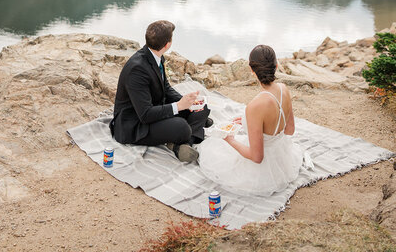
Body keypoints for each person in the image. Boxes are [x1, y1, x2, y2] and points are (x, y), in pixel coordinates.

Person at [198, 44, 305, 195]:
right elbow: (289, 130)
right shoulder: (284, 89)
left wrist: (229, 139)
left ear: (251, 69)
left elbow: (257, 157)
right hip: (282, 159)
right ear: (276, 65)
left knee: (213, 148)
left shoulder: (255, 106)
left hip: (262, 171)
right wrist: (247, 121)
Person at [110, 20, 211, 162]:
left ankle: (182, 143)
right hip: (135, 124)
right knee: (182, 127)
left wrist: (188, 102)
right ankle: (186, 138)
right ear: (167, 45)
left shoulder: (156, 56)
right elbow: (145, 115)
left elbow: (166, 89)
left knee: (201, 107)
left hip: (155, 110)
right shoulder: (136, 69)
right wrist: (179, 106)